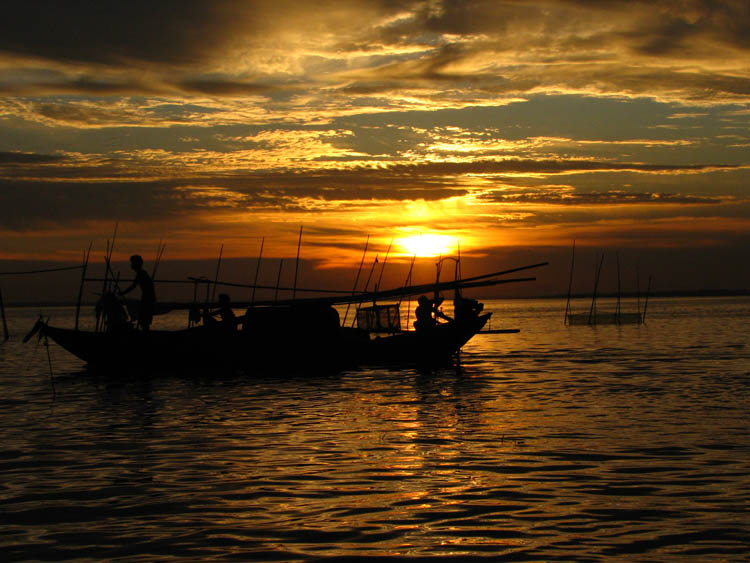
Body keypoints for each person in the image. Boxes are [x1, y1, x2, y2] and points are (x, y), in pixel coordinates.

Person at [121, 254, 156, 331]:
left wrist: (123, 293)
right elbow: (134, 285)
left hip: (148, 299)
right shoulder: (141, 273)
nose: (131, 265)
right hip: (147, 298)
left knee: (144, 320)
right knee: (144, 319)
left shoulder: (142, 274)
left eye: (132, 263)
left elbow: (133, 286)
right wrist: (123, 293)